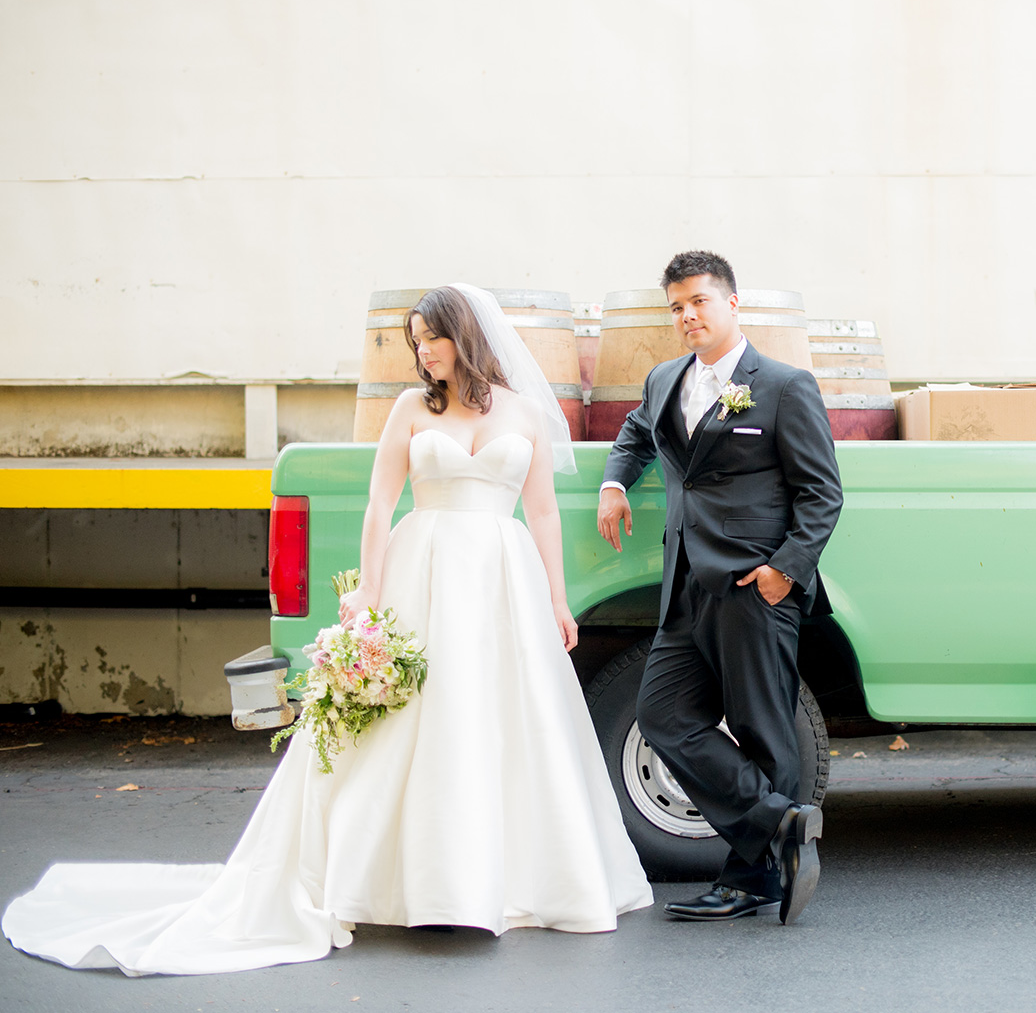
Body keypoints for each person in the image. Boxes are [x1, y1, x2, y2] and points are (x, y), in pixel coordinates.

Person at [3, 284, 651, 976]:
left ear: (462, 337)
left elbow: (543, 514)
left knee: (500, 720)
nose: (421, 353)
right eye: (414, 341)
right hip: (422, 570)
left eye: (430, 338)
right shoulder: (409, 408)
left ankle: (505, 876)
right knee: (407, 721)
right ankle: (394, 879)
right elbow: (380, 504)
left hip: (501, 574)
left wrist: (557, 598)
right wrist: (369, 590)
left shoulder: (522, 411)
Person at [598, 252, 843, 924]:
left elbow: (822, 493)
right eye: (677, 306)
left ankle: (750, 878)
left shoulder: (785, 387)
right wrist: (615, 481)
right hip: (684, 585)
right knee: (663, 716)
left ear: (732, 304)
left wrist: (782, 572)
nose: (688, 316)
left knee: (766, 731)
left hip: (752, 586)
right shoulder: (663, 379)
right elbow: (636, 431)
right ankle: (782, 823)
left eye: (700, 301)